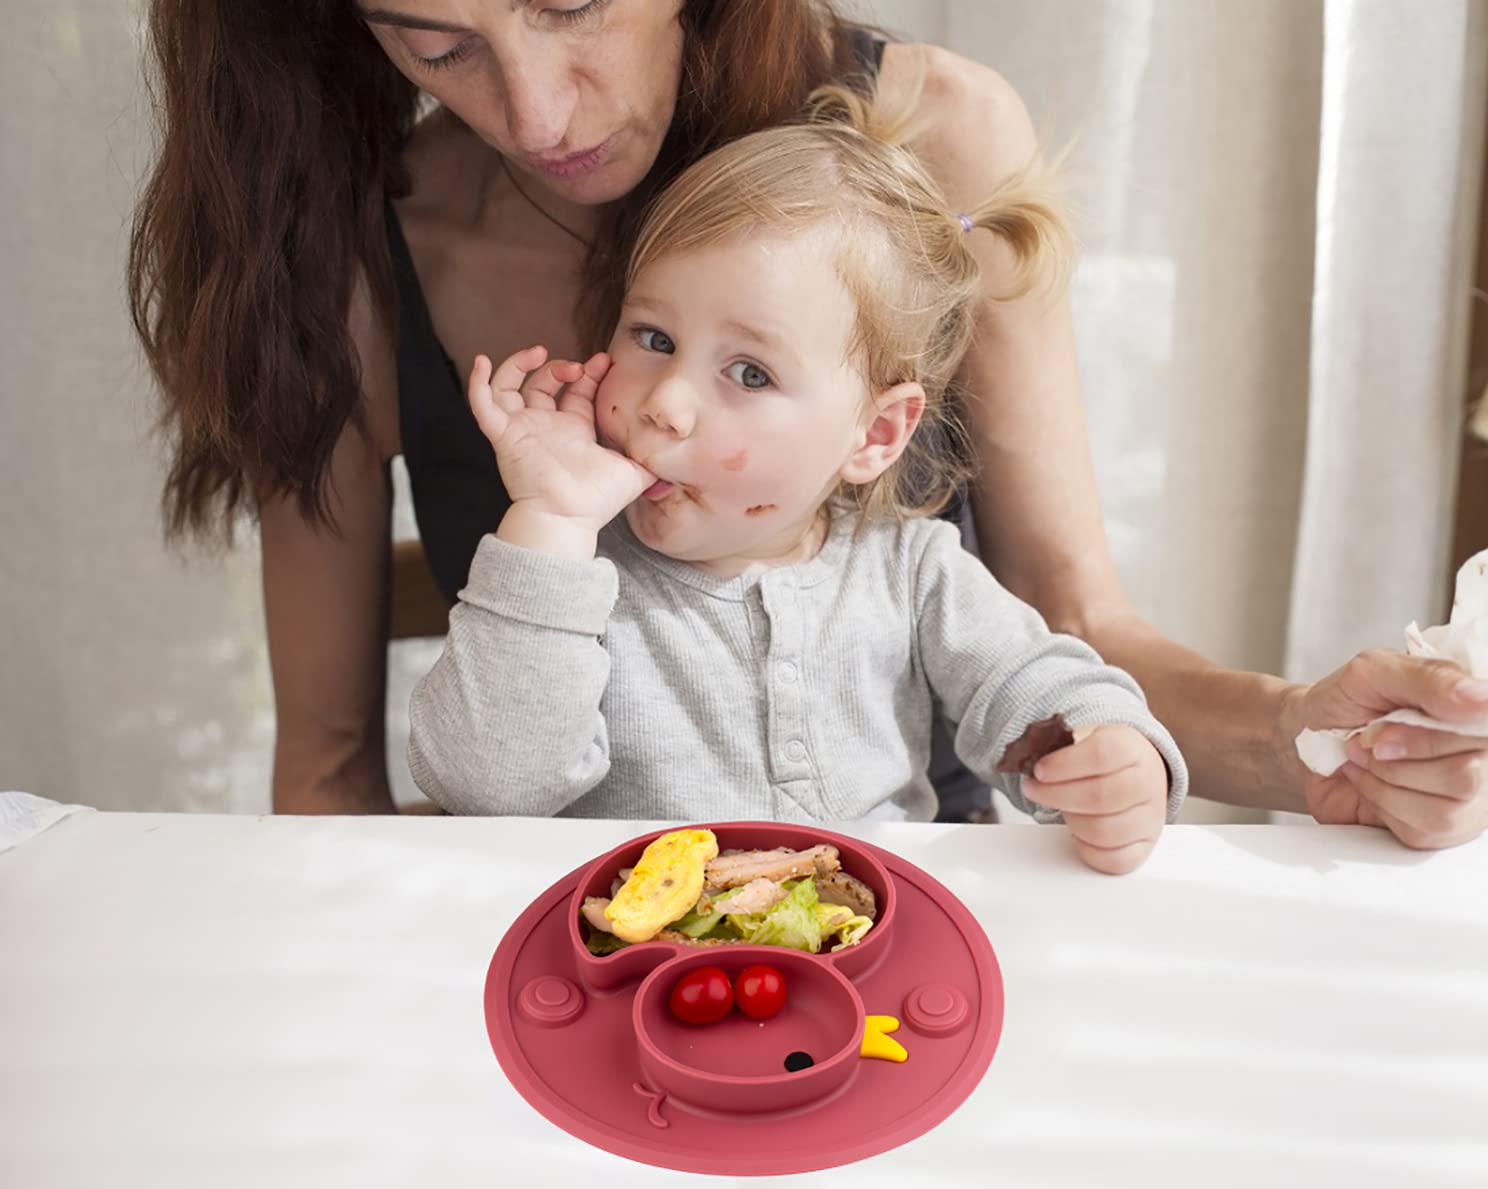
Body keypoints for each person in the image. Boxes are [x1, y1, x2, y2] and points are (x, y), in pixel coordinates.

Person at [128, 1, 1488, 848]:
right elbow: (330, 776)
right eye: (436, 44)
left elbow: (1069, 639)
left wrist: (1311, 736)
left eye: (575, 1)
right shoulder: (349, 236)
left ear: (878, 427)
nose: (535, 114)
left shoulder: (938, 144)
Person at [408, 86, 1188, 874]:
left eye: (748, 372)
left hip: (868, 962)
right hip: (641, 972)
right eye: (653, 335)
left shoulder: (912, 572)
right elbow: (484, 786)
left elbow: (1030, 681)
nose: (666, 403)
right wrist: (553, 520)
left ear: (875, 433)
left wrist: (1109, 745)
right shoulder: (571, 582)